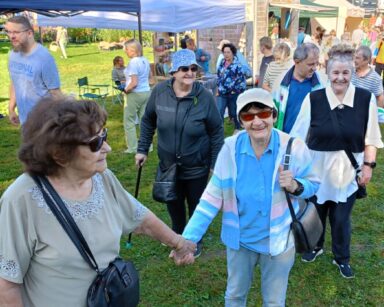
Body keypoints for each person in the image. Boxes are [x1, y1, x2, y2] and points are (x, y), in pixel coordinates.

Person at [0, 97, 196, 307]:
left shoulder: (102, 178)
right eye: (96, 143)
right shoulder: (21, 199)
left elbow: (140, 218)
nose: (108, 148)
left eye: (105, 136)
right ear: (59, 154)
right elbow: (7, 284)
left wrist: (179, 244)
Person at [180, 88, 319, 306]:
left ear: (273, 115)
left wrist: (295, 185)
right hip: (240, 242)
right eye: (248, 116)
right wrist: (188, 239)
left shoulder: (294, 147)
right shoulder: (229, 149)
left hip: (279, 242)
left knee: (274, 301)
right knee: (235, 295)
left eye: (263, 114)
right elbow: (211, 199)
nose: (257, 122)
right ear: (240, 120)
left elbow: (314, 185)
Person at [290, 44, 383, 279]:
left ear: (352, 73)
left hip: (347, 173)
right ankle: (316, 245)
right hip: (317, 171)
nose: (340, 78)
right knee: (317, 213)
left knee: (341, 219)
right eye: (335, 73)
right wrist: (293, 167)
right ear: (327, 73)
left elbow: (371, 137)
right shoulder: (314, 98)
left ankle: (342, 257)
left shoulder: (365, 99)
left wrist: (368, 166)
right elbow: (297, 136)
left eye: (345, 73)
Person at [135, 49, 224, 257]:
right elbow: (148, 120)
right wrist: (142, 149)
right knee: (173, 202)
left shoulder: (204, 97)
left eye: (193, 68)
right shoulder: (159, 92)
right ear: (173, 72)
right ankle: (177, 235)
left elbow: (217, 131)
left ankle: (193, 240)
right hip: (168, 164)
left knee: (195, 204)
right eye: (184, 69)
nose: (190, 73)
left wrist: (215, 162)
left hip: (197, 164)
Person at [5, 15, 61, 126]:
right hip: (24, 120)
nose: (11, 36)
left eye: (16, 32)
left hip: (44, 122)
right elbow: (15, 81)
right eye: (8, 32)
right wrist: (11, 108)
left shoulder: (44, 58)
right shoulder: (13, 55)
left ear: (29, 33)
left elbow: (55, 92)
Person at [273, 43, 326, 134]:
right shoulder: (280, 82)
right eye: (310, 64)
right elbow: (273, 114)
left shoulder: (323, 83)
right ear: (297, 61)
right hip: (285, 141)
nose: (314, 68)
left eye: (316, 64)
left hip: (310, 143)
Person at [123, 39, 151, 154]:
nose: (125, 52)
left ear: (132, 50)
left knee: (128, 121)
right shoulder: (145, 60)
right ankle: (148, 146)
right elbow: (150, 77)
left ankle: (133, 148)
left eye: (126, 49)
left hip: (135, 93)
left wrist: (125, 90)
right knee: (144, 120)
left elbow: (134, 82)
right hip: (146, 92)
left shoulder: (133, 62)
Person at [217, 43, 247, 134]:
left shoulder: (238, 65)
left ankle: (237, 128)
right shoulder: (222, 63)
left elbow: (241, 81)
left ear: (233, 53)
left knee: (233, 112)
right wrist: (218, 87)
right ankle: (219, 131)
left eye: (228, 52)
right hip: (222, 92)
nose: (226, 54)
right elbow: (218, 75)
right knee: (220, 111)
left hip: (233, 93)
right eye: (224, 52)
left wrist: (235, 90)